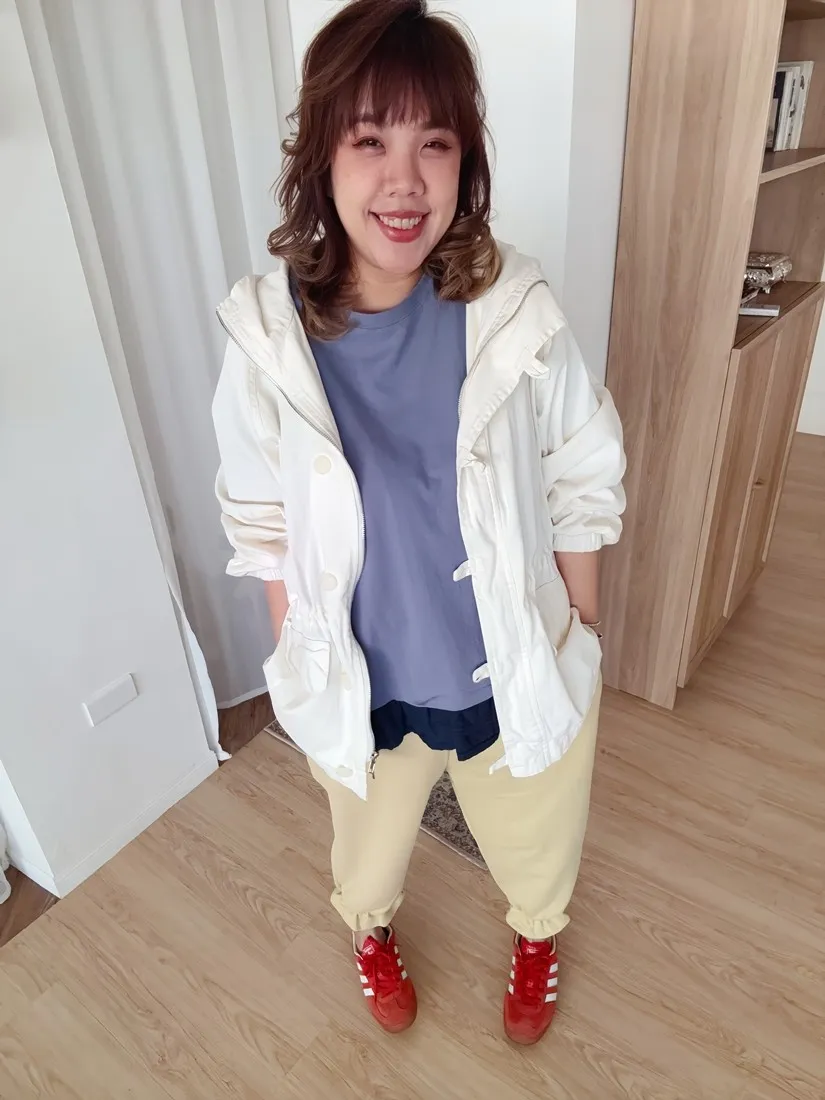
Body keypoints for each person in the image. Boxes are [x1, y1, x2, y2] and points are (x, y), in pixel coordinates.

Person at [212, 0, 625, 1046]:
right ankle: (370, 932)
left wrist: (576, 628)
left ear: (464, 162)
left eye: (433, 143)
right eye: (369, 141)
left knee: (537, 840)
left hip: (513, 662)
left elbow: (582, 467)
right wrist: (298, 650)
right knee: (366, 856)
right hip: (369, 686)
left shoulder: (514, 309)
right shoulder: (267, 342)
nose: (404, 180)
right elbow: (260, 518)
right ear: (321, 158)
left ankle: (537, 934)